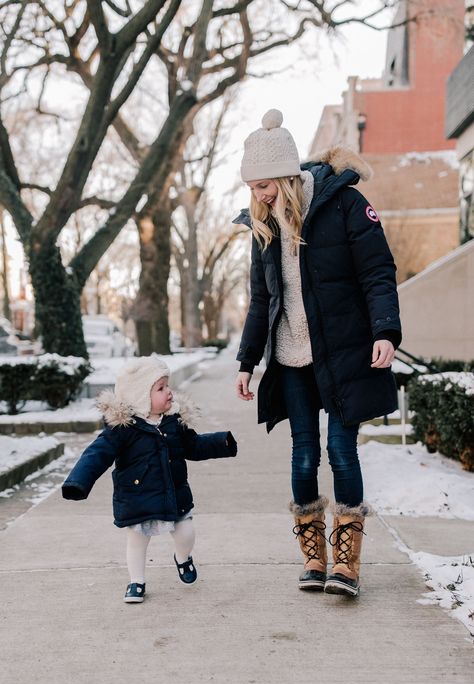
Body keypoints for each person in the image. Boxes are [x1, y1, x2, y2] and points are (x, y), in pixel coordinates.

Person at [234, 109, 401, 598]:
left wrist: (386, 330)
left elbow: (377, 273)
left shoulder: (345, 205)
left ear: (287, 176)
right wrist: (246, 362)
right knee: (304, 456)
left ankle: (346, 564)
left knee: (341, 450)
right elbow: (261, 301)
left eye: (265, 185)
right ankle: (314, 557)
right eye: (253, 188)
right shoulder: (264, 227)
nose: (259, 196)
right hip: (290, 357)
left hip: (343, 351)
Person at [62, 355, 237, 603]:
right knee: (137, 542)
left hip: (174, 495)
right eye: (161, 388)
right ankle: (136, 581)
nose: (169, 392)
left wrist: (221, 442)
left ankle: (183, 557)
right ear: (140, 395)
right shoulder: (122, 429)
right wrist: (78, 481)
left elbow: (193, 446)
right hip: (137, 498)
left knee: (186, 533)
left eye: (168, 386)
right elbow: (97, 454)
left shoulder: (174, 423)